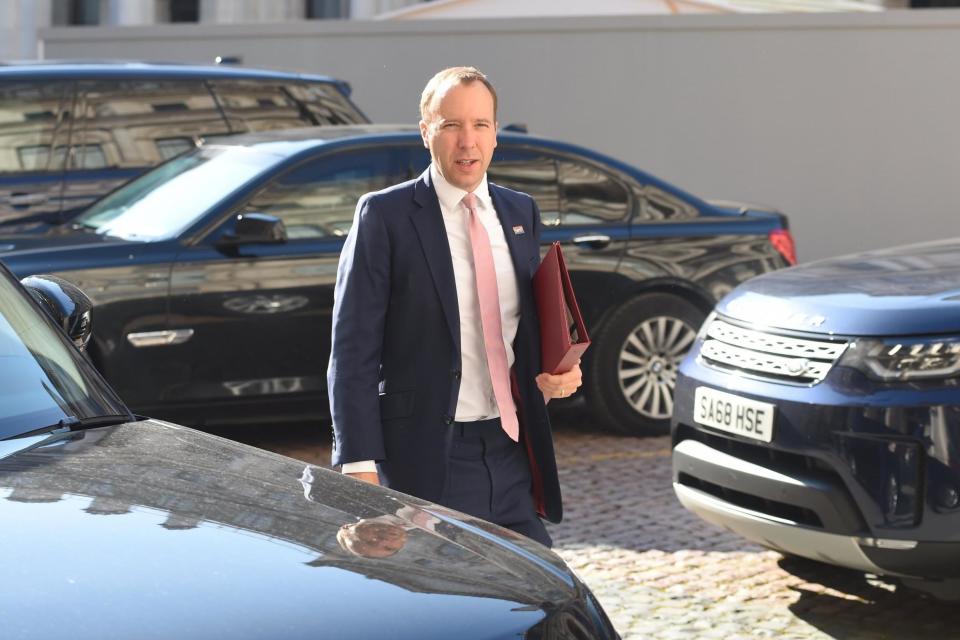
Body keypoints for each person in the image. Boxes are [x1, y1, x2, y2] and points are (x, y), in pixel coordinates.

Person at [327, 66, 581, 547]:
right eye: (451, 125)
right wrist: (359, 471)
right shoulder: (385, 215)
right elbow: (353, 350)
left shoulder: (519, 211)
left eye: (480, 125)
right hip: (425, 458)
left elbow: (521, 329)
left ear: (495, 134)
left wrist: (555, 374)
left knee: (536, 598)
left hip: (510, 452)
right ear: (426, 132)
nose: (468, 142)